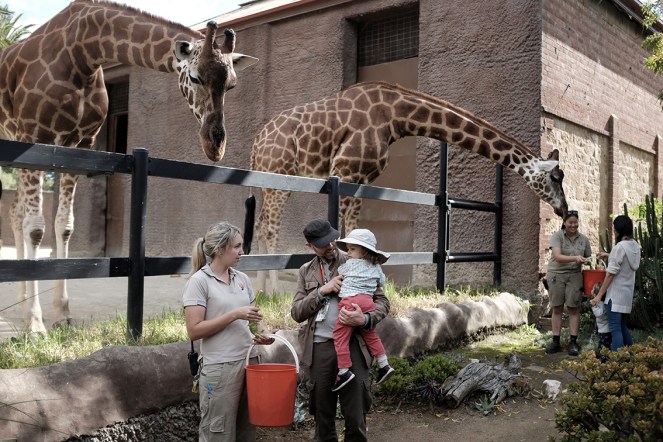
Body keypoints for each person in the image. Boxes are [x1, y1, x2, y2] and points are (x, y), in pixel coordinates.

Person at [291, 219, 390, 442]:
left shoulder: (357, 258)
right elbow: (296, 312)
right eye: (323, 244)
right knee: (322, 413)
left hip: (354, 344)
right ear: (310, 246)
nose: (331, 246)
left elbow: (383, 302)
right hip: (320, 348)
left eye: (332, 240)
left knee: (356, 413)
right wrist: (321, 291)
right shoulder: (306, 271)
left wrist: (364, 319)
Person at [182, 221, 274, 442]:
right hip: (220, 367)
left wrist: (263, 333)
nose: (242, 252)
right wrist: (234, 314)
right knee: (218, 433)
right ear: (219, 249)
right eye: (237, 246)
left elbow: (253, 319)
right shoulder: (199, 282)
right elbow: (194, 330)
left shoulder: (241, 279)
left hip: (249, 362)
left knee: (246, 431)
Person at [332, 228, 395, 391]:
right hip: (367, 303)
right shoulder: (376, 267)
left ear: (364, 251)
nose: (348, 253)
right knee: (371, 334)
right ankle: (384, 364)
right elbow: (381, 282)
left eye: (352, 249)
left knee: (339, 335)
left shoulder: (347, 265)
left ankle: (344, 371)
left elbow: (339, 276)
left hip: (350, 302)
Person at [590, 215, 641, 351]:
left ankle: (617, 363)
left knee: (615, 329)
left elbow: (610, 274)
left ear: (617, 230)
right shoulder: (635, 246)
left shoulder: (619, 247)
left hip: (615, 296)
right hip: (626, 295)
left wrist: (599, 296)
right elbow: (624, 261)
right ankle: (630, 358)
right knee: (623, 327)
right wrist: (609, 255)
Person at [545, 210, 592, 356]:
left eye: (575, 222)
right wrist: (576, 258)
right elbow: (557, 256)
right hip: (556, 275)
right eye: (570, 222)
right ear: (564, 223)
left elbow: (589, 257)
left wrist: (591, 259)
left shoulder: (584, 239)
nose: (573, 225)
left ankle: (573, 341)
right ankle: (556, 341)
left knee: (574, 308)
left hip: (575, 275)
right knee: (557, 307)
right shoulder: (557, 236)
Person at [589, 282, 611, 362]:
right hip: (603, 329)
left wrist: (594, 307)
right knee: (603, 345)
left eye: (593, 289)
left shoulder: (601, 304)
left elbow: (599, 314)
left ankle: (603, 360)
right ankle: (604, 358)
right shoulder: (602, 303)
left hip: (605, 330)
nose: (591, 291)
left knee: (603, 346)